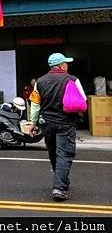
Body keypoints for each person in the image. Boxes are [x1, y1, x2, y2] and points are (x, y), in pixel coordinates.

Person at [29, 53, 86, 202]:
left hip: (47, 123)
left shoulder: (40, 82)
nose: (67, 66)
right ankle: (59, 188)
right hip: (66, 123)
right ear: (61, 65)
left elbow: (35, 105)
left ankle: (61, 181)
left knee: (54, 153)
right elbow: (83, 99)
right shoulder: (72, 79)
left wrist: (33, 124)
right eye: (66, 63)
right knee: (64, 154)